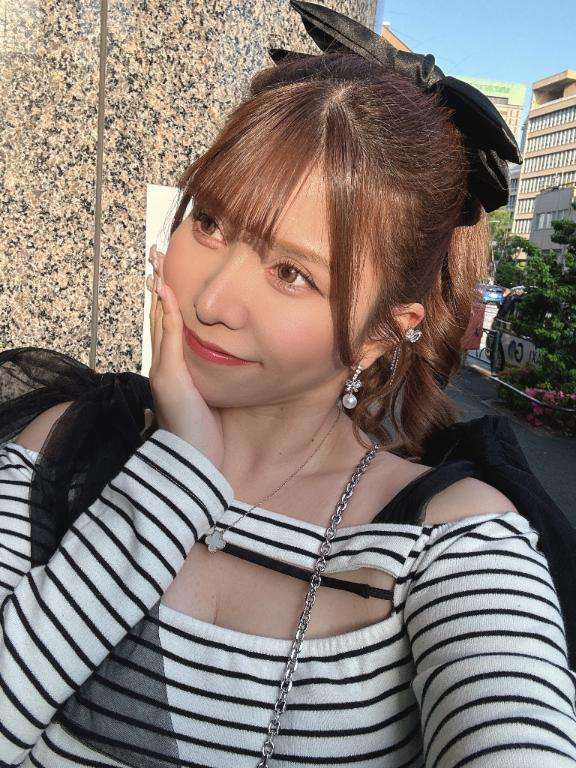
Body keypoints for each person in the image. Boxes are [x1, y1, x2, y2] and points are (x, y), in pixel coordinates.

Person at [1, 2, 575, 766]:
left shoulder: (448, 543)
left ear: (380, 332)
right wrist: (176, 474)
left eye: (291, 274)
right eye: (209, 223)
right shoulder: (64, 444)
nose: (212, 301)